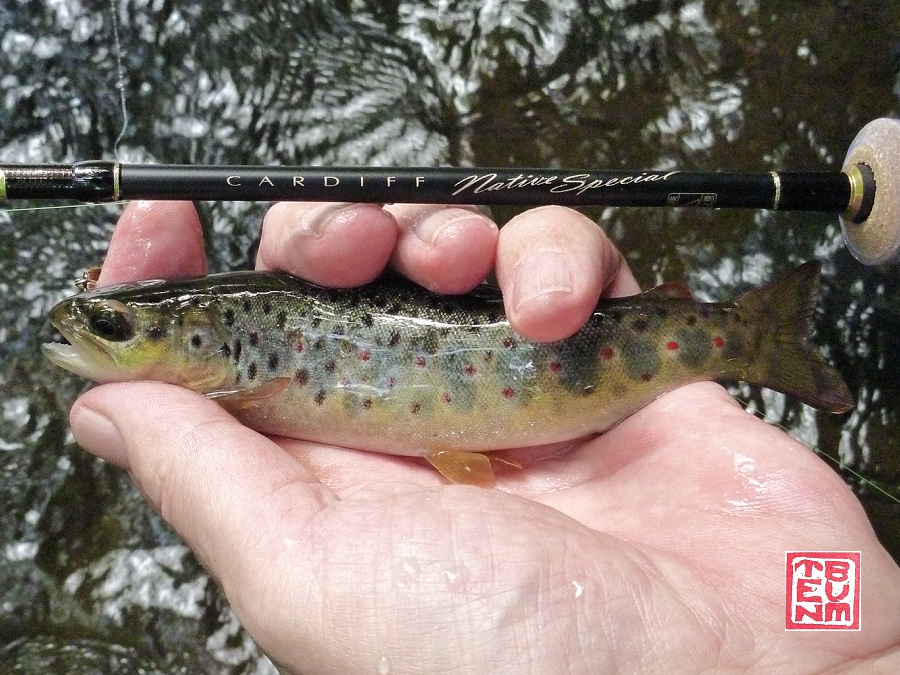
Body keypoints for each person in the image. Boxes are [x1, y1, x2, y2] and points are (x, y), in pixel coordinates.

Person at [70, 200, 900, 673]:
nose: (95, 331)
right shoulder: (238, 400)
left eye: (113, 324)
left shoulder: (827, 603)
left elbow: (835, 613)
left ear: (223, 337)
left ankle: (752, 337)